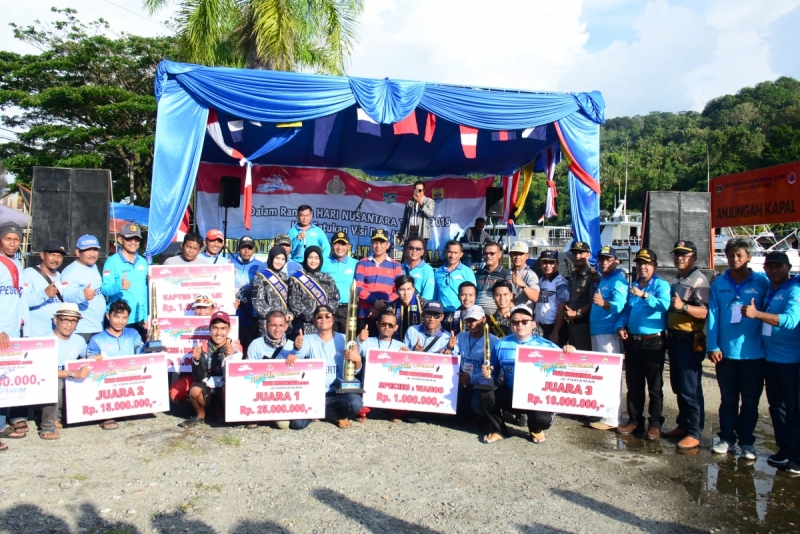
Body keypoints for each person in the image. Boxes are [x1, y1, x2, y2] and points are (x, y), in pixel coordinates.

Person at [706, 238, 768, 459]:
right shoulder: (719, 283)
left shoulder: (762, 282)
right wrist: (712, 345)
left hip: (755, 353)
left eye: (739, 255)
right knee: (728, 399)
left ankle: (747, 442)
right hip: (726, 352)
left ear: (748, 257)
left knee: (751, 401)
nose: (734, 259)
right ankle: (726, 438)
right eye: (731, 255)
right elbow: (712, 315)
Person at [479, 304, 575, 444]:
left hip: (537, 396)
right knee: (485, 393)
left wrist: (569, 350)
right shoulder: (500, 345)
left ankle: (535, 429)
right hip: (511, 392)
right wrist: (488, 374)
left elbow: (566, 368)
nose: (520, 324)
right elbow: (492, 372)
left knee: (542, 420)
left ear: (533, 324)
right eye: (515, 322)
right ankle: (499, 429)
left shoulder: (548, 346)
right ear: (510, 325)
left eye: (525, 321)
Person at [742, 251, 800, 473]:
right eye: (770, 267)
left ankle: (796, 458)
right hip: (771, 358)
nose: (774, 270)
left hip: (791, 361)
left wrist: (757, 315)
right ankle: (784, 450)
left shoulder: (794, 289)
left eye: (778, 266)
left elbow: (791, 320)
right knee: (777, 408)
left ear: (788, 267)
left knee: (793, 410)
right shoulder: (771, 288)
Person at [615, 248, 670, 440]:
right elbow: (626, 311)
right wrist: (621, 325)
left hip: (653, 341)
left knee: (654, 386)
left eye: (646, 263)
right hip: (633, 341)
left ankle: (655, 423)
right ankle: (635, 419)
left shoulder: (661, 285)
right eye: (639, 263)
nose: (642, 267)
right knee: (634, 383)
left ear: (654, 266)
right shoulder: (634, 285)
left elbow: (665, 305)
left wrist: (645, 295)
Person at [664, 240, 711, 450]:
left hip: (689, 339)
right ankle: (683, 424)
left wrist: (683, 306)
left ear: (694, 257)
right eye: (677, 254)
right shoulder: (678, 278)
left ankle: (694, 431)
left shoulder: (699, 280)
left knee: (690, 388)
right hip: (674, 338)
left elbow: (704, 312)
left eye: (684, 254)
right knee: (678, 385)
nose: (679, 258)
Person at [293, 304, 364, 429]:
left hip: (338, 392)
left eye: (327, 316)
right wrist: (297, 347)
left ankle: (332, 412)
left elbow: (356, 370)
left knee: (356, 403)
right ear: (314, 321)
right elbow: (298, 355)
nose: (324, 319)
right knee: (297, 425)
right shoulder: (307, 339)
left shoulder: (345, 339)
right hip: (314, 392)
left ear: (333, 318)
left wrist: (357, 360)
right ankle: (325, 412)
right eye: (319, 317)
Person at [86, 299, 144, 431]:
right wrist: (94, 358)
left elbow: (140, 351)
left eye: (124, 318)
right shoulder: (97, 339)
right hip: (107, 379)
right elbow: (89, 359)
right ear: (108, 316)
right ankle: (106, 416)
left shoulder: (133, 333)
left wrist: (149, 346)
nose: (120, 321)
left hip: (129, 376)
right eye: (117, 317)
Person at [587, 246, 628, 431]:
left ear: (617, 261)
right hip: (598, 332)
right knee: (601, 374)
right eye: (602, 259)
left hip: (608, 333)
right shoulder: (605, 279)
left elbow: (620, 306)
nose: (604, 262)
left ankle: (612, 417)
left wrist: (604, 304)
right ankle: (604, 411)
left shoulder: (618, 282)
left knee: (611, 376)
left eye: (608, 259)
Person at [178, 311, 243, 427]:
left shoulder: (236, 346)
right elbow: (199, 377)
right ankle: (200, 416)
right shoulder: (202, 345)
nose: (218, 333)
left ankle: (227, 415)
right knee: (195, 390)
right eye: (215, 328)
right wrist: (197, 360)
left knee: (230, 388)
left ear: (229, 329)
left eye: (223, 328)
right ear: (210, 329)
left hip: (225, 385)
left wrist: (229, 357)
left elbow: (235, 378)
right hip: (208, 385)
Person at [0, 221, 27, 450]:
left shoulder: (17, 263)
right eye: (7, 239)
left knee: (6, 379)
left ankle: (1, 423)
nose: (12, 243)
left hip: (13, 330)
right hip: (1, 330)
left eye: (15, 239)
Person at [49, 303, 93, 438]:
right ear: (56, 320)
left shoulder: (79, 340)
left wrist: (94, 359)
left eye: (73, 321)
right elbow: (43, 372)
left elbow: (87, 358)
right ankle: (51, 419)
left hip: (70, 385)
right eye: (65, 320)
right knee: (57, 383)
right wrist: (72, 373)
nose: (69, 325)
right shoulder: (45, 341)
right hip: (51, 387)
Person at [101, 223, 149, 340]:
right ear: (120, 239)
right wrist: (119, 286)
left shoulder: (143, 262)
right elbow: (105, 289)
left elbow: (145, 292)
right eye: (129, 238)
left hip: (140, 319)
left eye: (136, 238)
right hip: (119, 319)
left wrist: (146, 317)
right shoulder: (111, 262)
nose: (133, 242)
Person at [354, 228, 403, 333]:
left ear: (388, 245)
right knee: (363, 345)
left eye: (382, 242)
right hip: (365, 314)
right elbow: (358, 287)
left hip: (387, 315)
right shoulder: (362, 263)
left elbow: (398, 290)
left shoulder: (396, 266)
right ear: (372, 244)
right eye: (376, 242)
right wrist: (375, 302)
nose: (378, 246)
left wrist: (383, 305)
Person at [455, 305, 498, 421]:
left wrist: (472, 379)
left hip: (480, 383)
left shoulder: (494, 341)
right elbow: (453, 358)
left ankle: (482, 418)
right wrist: (449, 348)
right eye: (469, 320)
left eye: (475, 320)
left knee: (477, 405)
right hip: (462, 379)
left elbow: (493, 371)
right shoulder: (460, 337)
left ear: (484, 320)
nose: (472, 324)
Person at [62, 235, 106, 342]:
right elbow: (65, 296)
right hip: (83, 329)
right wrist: (82, 295)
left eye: (95, 250)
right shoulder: (70, 271)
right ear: (77, 252)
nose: (92, 254)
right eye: (87, 250)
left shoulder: (93, 266)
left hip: (98, 325)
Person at [288, 246, 340, 335]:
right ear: (306, 258)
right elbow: (293, 302)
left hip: (324, 324)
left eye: (316, 258)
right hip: (304, 326)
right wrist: (312, 316)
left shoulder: (327, 279)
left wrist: (324, 314)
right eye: (310, 257)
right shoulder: (296, 279)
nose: (313, 261)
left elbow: (334, 299)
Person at [23, 239, 68, 337]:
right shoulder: (29, 274)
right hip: (36, 334)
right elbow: (22, 301)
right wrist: (44, 294)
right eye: (52, 254)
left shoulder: (60, 276)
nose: (56, 259)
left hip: (56, 334)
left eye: (60, 256)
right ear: (42, 255)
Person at [563, 241, 600, 351]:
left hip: (584, 326)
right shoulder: (573, 275)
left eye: (581, 253)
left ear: (588, 255)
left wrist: (577, 314)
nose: (577, 256)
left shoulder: (593, 276)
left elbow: (593, 302)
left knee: (583, 361)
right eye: (574, 253)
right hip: (571, 325)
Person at [231, 235, 263, 353]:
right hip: (232, 316)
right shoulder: (229, 263)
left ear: (254, 249)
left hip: (251, 318)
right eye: (244, 247)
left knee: (249, 351)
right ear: (239, 249)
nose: (246, 251)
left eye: (249, 248)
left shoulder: (260, 266)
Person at [321, 231, 358, 334]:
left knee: (347, 341)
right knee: (328, 339)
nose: (340, 247)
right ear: (331, 245)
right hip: (328, 308)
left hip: (348, 309)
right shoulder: (322, 262)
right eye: (337, 243)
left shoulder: (356, 264)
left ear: (348, 246)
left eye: (343, 244)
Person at [252, 246, 293, 336]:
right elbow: (257, 302)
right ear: (271, 258)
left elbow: (291, 301)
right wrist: (276, 316)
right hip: (268, 325)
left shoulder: (286, 277)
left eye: (283, 259)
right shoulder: (260, 277)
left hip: (285, 325)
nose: (280, 261)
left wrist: (290, 314)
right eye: (277, 258)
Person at [534, 250, 568, 346]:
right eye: (544, 262)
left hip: (554, 328)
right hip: (539, 327)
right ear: (540, 263)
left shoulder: (561, 282)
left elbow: (561, 308)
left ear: (557, 263)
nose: (547, 265)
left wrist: (555, 333)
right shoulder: (540, 281)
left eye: (551, 262)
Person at [434, 241, 476, 316]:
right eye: (450, 252)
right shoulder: (437, 272)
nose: (452, 255)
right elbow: (435, 294)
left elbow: (472, 294)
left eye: (456, 253)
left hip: (460, 312)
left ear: (461, 254)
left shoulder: (467, 272)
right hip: (441, 313)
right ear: (445, 253)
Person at [475, 241, 511, 316]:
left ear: (500, 254)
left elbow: (511, 297)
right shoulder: (478, 273)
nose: (488, 256)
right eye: (485, 253)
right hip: (477, 314)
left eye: (492, 253)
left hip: (495, 315)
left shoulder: (505, 274)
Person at [397, 181, 435, 248]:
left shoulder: (429, 201)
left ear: (424, 191)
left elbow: (430, 214)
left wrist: (421, 203)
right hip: (409, 231)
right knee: (407, 253)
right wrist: (400, 233)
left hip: (422, 231)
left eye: (420, 190)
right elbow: (405, 219)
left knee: (420, 254)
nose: (418, 192)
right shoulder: (409, 202)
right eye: (416, 190)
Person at [508, 241, 540, 306]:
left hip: (524, 314)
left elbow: (535, 298)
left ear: (527, 256)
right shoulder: (506, 272)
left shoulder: (531, 274)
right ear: (510, 255)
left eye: (521, 254)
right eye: (515, 253)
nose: (517, 257)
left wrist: (523, 285)